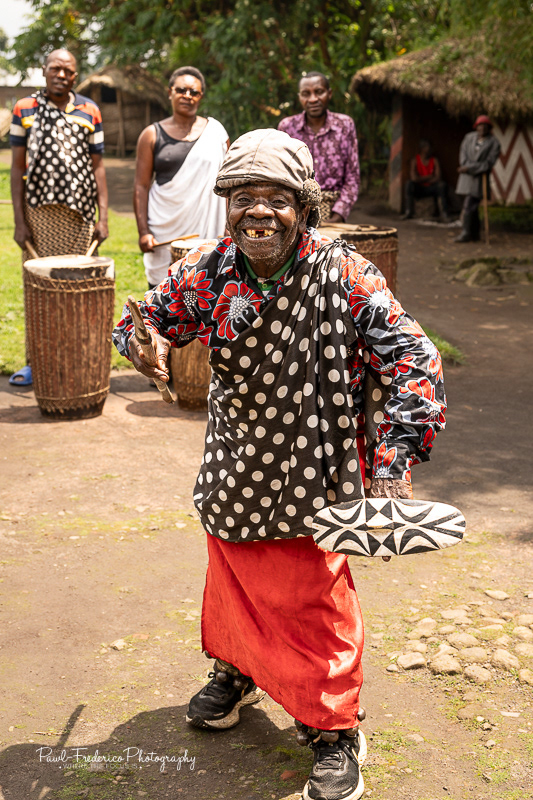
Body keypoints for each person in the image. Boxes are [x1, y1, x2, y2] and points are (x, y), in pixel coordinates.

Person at [113, 129, 446, 800]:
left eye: (276, 199)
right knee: (233, 578)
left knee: (312, 599)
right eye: (243, 198)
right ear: (226, 205)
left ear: (304, 208)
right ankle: (237, 671)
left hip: (316, 467)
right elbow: (146, 319)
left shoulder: (345, 274)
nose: (258, 212)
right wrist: (141, 343)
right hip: (236, 462)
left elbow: (415, 361)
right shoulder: (208, 269)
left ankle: (334, 729)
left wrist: (391, 462)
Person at [9, 48, 108, 386]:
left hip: (81, 216)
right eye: (55, 68)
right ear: (44, 70)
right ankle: (35, 363)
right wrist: (19, 222)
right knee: (39, 288)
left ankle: (76, 361)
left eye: (68, 70)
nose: (61, 75)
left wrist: (103, 218)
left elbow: (98, 167)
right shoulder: (25, 108)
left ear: (75, 76)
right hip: (38, 217)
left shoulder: (89, 110)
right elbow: (16, 167)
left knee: (78, 289)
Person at [134, 66, 229, 289]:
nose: (187, 95)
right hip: (164, 228)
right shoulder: (151, 134)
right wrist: (143, 232)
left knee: (205, 291)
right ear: (170, 92)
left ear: (201, 96)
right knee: (163, 293)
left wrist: (229, 226)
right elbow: (141, 186)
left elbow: (229, 184)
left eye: (194, 92)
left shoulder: (216, 132)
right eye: (181, 90)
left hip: (207, 230)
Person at [278, 71, 360, 225]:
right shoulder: (287, 127)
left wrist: (338, 214)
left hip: (333, 211)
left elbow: (352, 178)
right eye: (306, 94)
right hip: (296, 211)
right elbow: (281, 175)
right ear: (300, 97)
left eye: (319, 92)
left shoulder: (344, 125)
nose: (313, 99)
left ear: (329, 94)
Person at [455, 115, 500, 243]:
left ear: (489, 128)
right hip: (467, 177)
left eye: (485, 126)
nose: (482, 128)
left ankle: (466, 232)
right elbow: (463, 155)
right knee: (472, 206)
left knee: (469, 203)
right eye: (480, 125)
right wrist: (465, 166)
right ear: (476, 127)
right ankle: (474, 234)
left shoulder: (494, 143)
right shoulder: (469, 138)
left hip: (480, 178)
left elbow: (488, 163)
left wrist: (469, 168)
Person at [401, 139, 451, 222]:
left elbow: (438, 177)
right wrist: (430, 176)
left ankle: (444, 213)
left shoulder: (434, 160)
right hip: (419, 188)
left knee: (442, 185)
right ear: (422, 148)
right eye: (428, 147)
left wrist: (421, 179)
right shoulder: (415, 160)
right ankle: (408, 211)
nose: (430, 149)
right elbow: (414, 178)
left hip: (431, 188)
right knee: (409, 184)